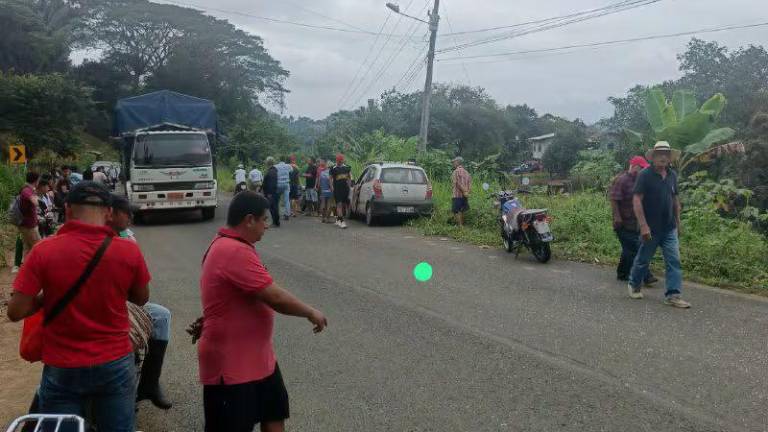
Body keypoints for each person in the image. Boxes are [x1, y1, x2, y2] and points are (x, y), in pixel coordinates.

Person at [7, 181, 151, 432]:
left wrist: (46, 298)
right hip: (114, 361)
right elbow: (141, 298)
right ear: (108, 212)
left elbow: (15, 311)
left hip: (63, 365)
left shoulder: (43, 251)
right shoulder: (129, 251)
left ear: (69, 210)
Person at [196, 191, 328, 432]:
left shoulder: (235, 246)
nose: (266, 226)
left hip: (258, 357)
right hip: (232, 363)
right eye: (264, 220)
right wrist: (310, 312)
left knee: (274, 412)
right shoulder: (232, 250)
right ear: (249, 220)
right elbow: (274, 297)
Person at [108, 194, 173, 409]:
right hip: (115, 307)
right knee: (159, 316)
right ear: (112, 213)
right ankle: (146, 385)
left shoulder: (127, 237)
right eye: (127, 213)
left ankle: (149, 383)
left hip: (119, 302)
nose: (131, 217)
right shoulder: (122, 242)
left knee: (161, 315)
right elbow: (141, 296)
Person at [628, 141, 691, 308]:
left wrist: (678, 222)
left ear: (670, 158)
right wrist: (643, 226)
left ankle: (673, 295)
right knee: (643, 260)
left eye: (666, 154)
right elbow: (636, 200)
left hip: (669, 227)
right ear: (653, 157)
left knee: (674, 260)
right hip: (651, 228)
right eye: (660, 154)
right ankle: (634, 283)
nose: (663, 157)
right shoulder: (645, 175)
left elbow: (675, 199)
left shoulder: (672, 175)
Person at [610, 156, 658, 285]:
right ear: (635, 167)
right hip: (622, 222)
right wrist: (617, 217)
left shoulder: (640, 181)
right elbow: (614, 199)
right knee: (637, 248)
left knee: (628, 249)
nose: (644, 170)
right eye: (642, 167)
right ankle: (646, 276)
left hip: (634, 223)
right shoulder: (622, 180)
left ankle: (622, 273)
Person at [17, 172, 41, 257]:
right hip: (29, 226)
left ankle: (26, 268)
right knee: (39, 247)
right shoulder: (27, 190)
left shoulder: (27, 189)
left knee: (28, 248)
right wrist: (37, 199)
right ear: (36, 180)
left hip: (26, 224)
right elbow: (35, 202)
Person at [329, 154, 352, 229]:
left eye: (340, 160)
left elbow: (349, 178)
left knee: (343, 205)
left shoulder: (347, 168)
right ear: (336, 160)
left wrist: (349, 187)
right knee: (339, 204)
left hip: (345, 189)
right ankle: (342, 221)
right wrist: (331, 187)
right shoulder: (333, 168)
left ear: (342, 160)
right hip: (337, 189)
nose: (339, 161)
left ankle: (338, 219)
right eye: (338, 160)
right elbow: (330, 178)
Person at [451, 157, 472, 227]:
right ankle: (462, 225)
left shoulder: (456, 171)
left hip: (457, 195)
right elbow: (470, 184)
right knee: (462, 210)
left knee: (456, 211)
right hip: (465, 195)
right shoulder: (467, 172)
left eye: (454, 162)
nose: (453, 163)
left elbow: (458, 183)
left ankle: (460, 226)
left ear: (457, 162)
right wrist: (467, 192)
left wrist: (464, 191)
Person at [262, 157, 280, 227]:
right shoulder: (272, 170)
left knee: (273, 207)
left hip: (271, 193)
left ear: (268, 163)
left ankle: (275, 222)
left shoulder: (272, 171)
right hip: (272, 192)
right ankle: (275, 222)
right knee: (273, 207)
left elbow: (272, 183)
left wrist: (270, 193)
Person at [275, 157, 292, 221]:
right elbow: (291, 171)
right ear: (284, 160)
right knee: (286, 200)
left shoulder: (275, 166)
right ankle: (287, 214)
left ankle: (277, 213)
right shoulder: (288, 166)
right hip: (286, 184)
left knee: (277, 200)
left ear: (279, 160)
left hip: (278, 184)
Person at [316, 159, 333, 223]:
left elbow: (319, 183)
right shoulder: (332, 174)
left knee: (323, 204)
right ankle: (327, 218)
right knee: (329, 205)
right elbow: (332, 183)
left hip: (323, 190)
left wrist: (318, 188)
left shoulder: (322, 173)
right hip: (330, 190)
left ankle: (323, 218)